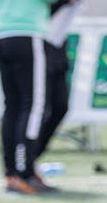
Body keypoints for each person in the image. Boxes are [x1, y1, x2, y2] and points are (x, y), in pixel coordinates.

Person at [0, 0, 56, 195]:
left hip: (0, 31)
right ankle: (24, 172)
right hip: (27, 31)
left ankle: (12, 173)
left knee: (13, 106)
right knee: (34, 105)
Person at [34, 0, 84, 169]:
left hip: (57, 46)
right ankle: (24, 163)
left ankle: (32, 157)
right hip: (39, 42)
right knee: (38, 108)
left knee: (60, 106)